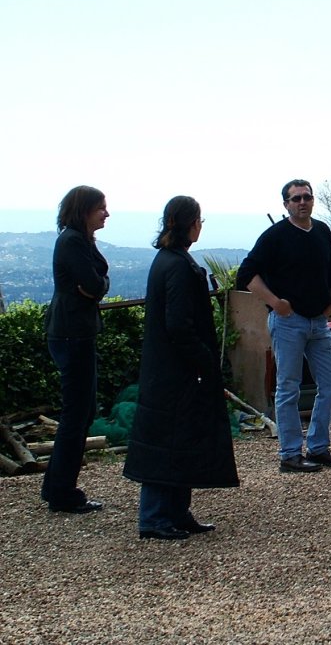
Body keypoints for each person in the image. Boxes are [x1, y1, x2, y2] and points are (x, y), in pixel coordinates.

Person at [123, 196, 239, 540]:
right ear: (191, 224)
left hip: (172, 369)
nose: (200, 226)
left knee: (180, 437)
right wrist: (203, 358)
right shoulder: (175, 265)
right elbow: (178, 325)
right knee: (167, 439)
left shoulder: (170, 260)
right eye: (199, 220)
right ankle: (155, 516)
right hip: (175, 371)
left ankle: (176, 511)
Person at [235, 179, 331, 473]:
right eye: (296, 198)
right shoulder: (275, 236)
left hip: (319, 322)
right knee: (288, 388)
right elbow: (246, 274)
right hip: (289, 323)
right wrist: (275, 302)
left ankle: (318, 447)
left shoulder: (322, 232)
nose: (302, 202)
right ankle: (289, 454)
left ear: (312, 200)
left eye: (306, 197)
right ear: (286, 204)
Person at [42, 185, 110, 514]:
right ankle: (62, 492)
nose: (106, 214)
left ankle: (56, 486)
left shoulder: (80, 240)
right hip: (71, 334)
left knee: (82, 412)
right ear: (84, 211)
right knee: (77, 414)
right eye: (101, 208)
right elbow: (94, 284)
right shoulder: (72, 241)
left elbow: (96, 284)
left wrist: (96, 285)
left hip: (75, 333)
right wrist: (96, 285)